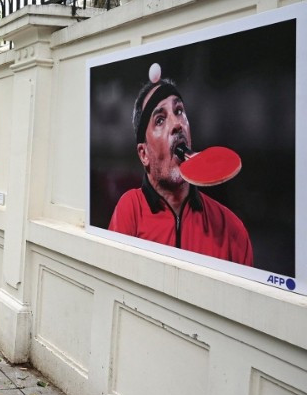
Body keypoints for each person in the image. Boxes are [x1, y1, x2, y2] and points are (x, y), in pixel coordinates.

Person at [108, 66, 253, 266]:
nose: (177, 124)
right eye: (160, 119)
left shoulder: (232, 230)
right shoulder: (130, 210)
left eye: (179, 111)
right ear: (144, 154)